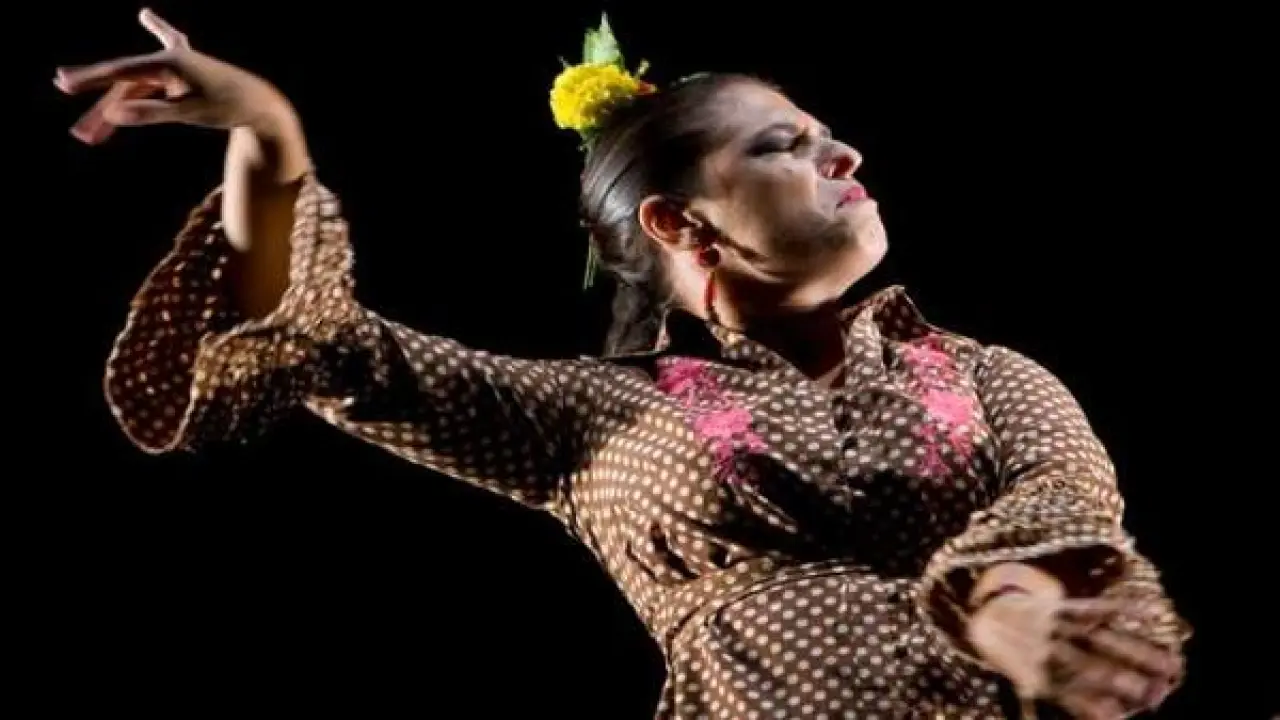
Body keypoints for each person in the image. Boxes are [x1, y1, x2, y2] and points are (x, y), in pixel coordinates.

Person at [58, 10, 1189, 719]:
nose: (843, 153)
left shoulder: (988, 374)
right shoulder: (589, 416)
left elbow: (1064, 494)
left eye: (824, 134)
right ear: (678, 222)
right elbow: (340, 348)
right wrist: (268, 130)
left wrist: (1004, 605)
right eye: (783, 145)